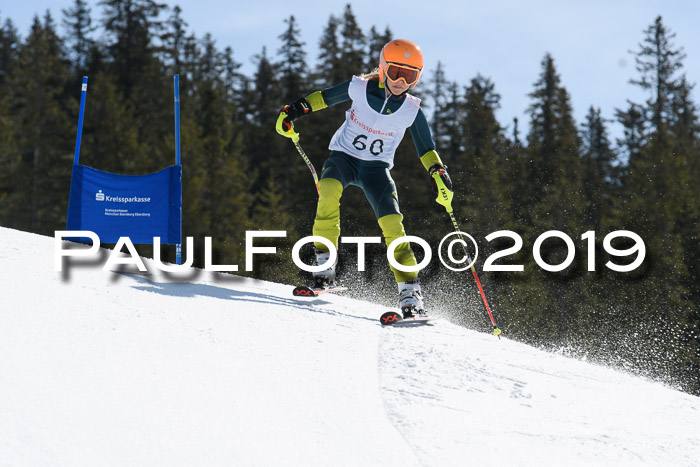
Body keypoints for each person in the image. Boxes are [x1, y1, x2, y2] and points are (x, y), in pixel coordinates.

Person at [275, 38, 452, 318]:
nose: (400, 80)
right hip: (343, 158)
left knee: (393, 223)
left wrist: (438, 172)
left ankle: (410, 293)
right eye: (395, 72)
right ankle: (324, 265)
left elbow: (426, 148)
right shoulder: (359, 87)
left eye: (409, 75)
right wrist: (293, 111)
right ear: (382, 69)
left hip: (376, 169)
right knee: (328, 190)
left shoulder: (412, 110)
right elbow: (323, 98)